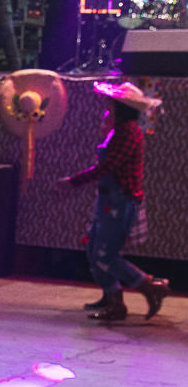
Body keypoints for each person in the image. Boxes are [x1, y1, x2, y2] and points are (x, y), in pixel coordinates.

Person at [55, 81, 169, 321]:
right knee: (95, 251)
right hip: (109, 200)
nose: (107, 106)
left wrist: (73, 182)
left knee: (106, 255)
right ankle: (112, 298)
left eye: (111, 104)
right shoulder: (118, 130)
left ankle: (149, 286)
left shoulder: (127, 132)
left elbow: (107, 166)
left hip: (120, 202)